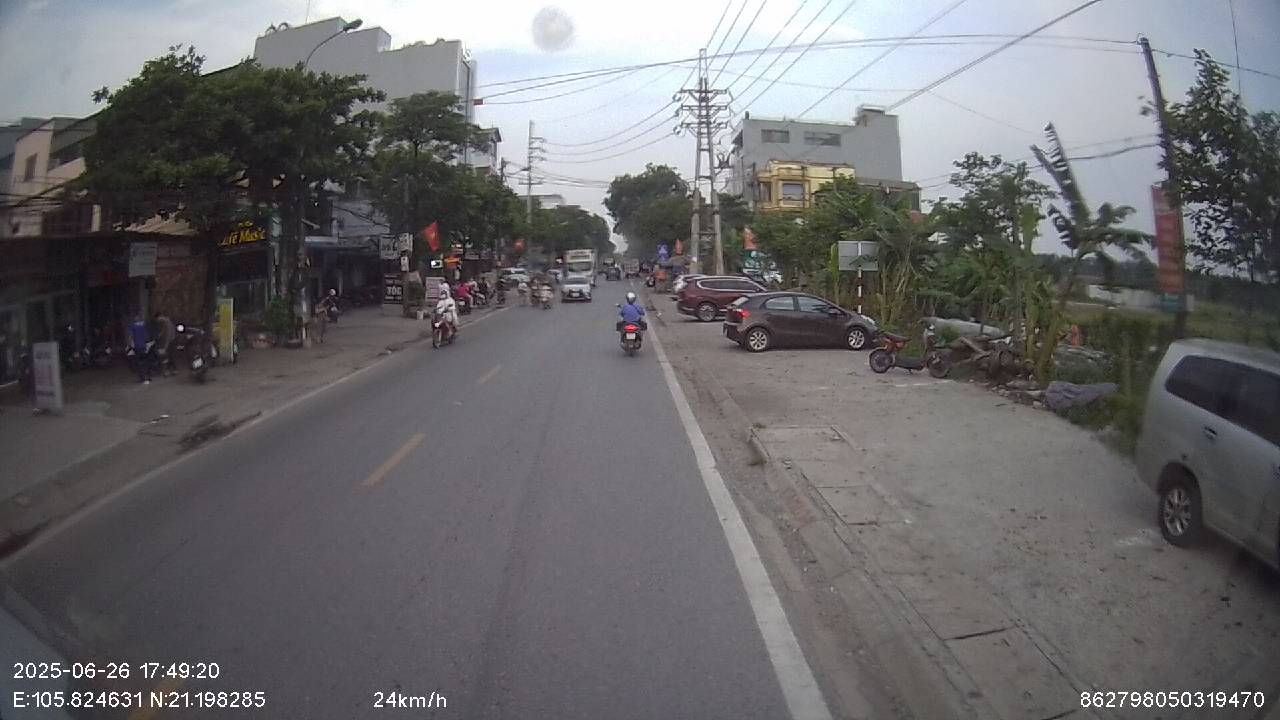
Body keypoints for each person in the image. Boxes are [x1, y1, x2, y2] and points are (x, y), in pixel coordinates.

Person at [152, 310, 175, 376]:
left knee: (162, 356)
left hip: (164, 342)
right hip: (170, 340)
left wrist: (164, 344)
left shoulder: (162, 322)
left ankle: (165, 371)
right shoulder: (168, 321)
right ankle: (172, 369)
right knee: (169, 356)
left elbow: (163, 333)